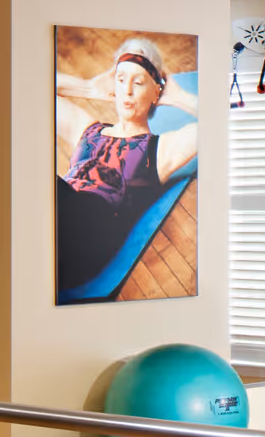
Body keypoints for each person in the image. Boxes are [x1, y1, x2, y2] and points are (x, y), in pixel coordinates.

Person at [53, 36, 199, 299]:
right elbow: (29, 86)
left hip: (85, 244)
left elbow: (228, 122)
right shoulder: (87, 129)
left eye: (138, 82)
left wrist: (178, 98)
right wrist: (88, 88)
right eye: (121, 80)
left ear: (156, 92)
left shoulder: (160, 150)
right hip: (54, 225)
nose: (128, 90)